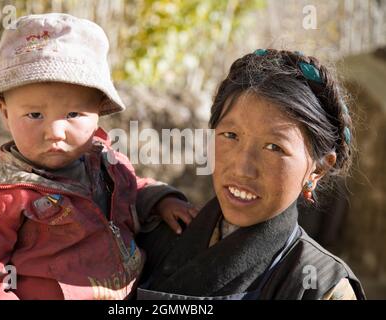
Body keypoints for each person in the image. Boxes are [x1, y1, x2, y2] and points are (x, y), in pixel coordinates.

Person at [0, 13, 197, 300]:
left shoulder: (107, 168)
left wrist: (161, 199)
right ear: (5, 111)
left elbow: (132, 191)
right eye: (34, 115)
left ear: (99, 110)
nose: (55, 131)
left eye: (73, 114)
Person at [137, 49, 366, 300]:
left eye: (274, 147)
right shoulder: (152, 235)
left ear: (318, 169)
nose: (242, 168)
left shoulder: (321, 287)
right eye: (230, 135)